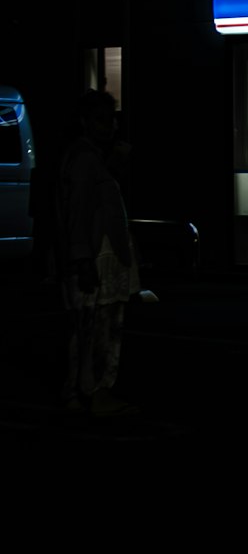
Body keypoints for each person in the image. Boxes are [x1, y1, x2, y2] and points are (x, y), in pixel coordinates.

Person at [58, 88, 142, 418]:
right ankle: (95, 392)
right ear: (85, 122)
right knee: (99, 328)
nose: (109, 127)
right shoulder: (86, 159)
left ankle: (77, 393)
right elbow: (79, 210)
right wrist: (82, 258)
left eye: (111, 120)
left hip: (94, 255)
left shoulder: (85, 157)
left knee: (86, 329)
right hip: (97, 257)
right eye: (101, 120)